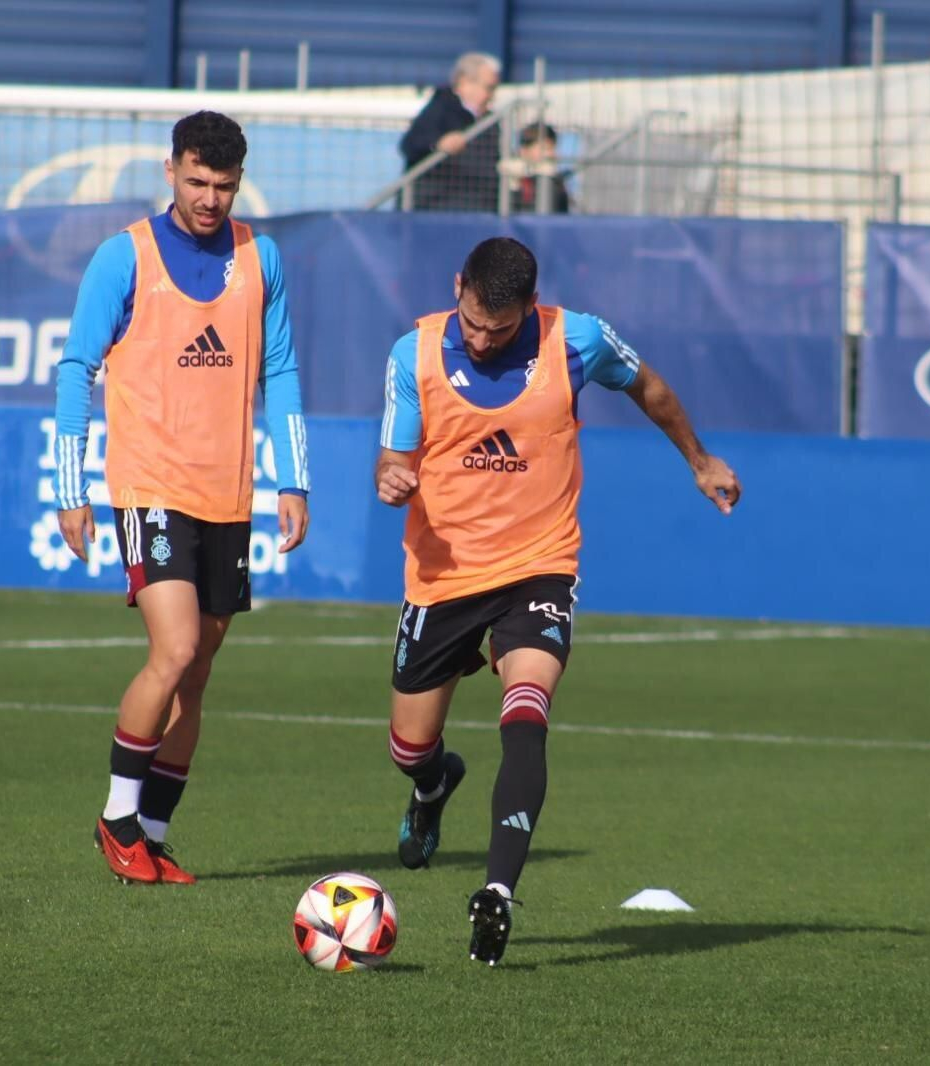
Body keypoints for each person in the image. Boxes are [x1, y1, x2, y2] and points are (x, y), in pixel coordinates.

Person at [374, 237, 740, 963]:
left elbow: (650, 388)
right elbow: (394, 456)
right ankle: (431, 786)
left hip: (539, 564)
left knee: (527, 712)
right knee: (408, 746)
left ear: (530, 309)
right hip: (444, 576)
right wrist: (390, 477)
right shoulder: (411, 355)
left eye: (500, 329)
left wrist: (700, 462)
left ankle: (497, 893)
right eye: (472, 323)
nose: (482, 340)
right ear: (457, 285)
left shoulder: (576, 340)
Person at [53, 110, 311, 885]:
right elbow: (77, 368)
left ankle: (154, 835)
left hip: (227, 495)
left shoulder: (262, 257)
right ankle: (116, 818)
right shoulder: (123, 256)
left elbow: (282, 371)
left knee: (196, 676)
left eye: (223, 186)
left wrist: (293, 479)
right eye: (196, 181)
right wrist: (71, 487)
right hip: (151, 486)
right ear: (170, 171)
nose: (209, 198)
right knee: (174, 650)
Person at [399, 52, 503, 212]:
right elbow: (410, 144)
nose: (491, 96)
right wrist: (438, 143)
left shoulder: (489, 122)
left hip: (479, 208)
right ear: (464, 82)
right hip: (436, 207)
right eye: (488, 88)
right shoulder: (440, 108)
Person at [506, 122, 571, 214]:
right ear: (524, 150)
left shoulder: (555, 182)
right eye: (545, 148)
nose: (551, 154)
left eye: (553, 148)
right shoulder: (508, 177)